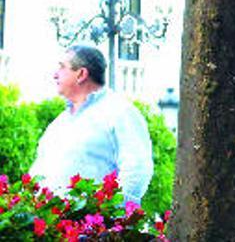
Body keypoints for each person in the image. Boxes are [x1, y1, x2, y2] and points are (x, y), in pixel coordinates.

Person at [29, 45, 154, 204]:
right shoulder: (59, 123)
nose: (55, 74)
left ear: (81, 74)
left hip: (92, 226)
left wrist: (106, 217)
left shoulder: (120, 113)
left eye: (62, 67)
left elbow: (136, 171)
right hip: (50, 223)